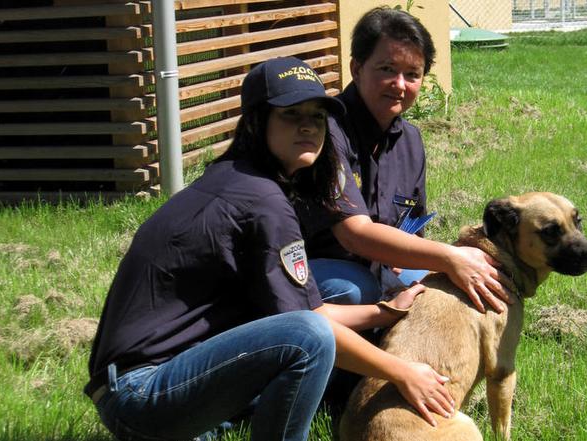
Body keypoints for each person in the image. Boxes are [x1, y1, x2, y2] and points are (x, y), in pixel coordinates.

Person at [85, 57, 454, 441]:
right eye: (291, 114)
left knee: (322, 306)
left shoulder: (239, 177)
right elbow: (312, 326)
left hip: (141, 384)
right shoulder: (261, 199)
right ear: (257, 122)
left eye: (317, 115)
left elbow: (309, 308)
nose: (308, 126)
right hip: (142, 395)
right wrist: (402, 370)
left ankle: (214, 423)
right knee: (308, 338)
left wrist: (383, 313)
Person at [301, 7, 512, 312]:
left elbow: (411, 230)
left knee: (444, 286)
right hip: (312, 268)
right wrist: (449, 257)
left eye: (412, 74)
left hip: (379, 265)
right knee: (357, 289)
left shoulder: (410, 140)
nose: (400, 85)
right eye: (387, 69)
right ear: (356, 68)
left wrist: (433, 266)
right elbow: (354, 234)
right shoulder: (327, 131)